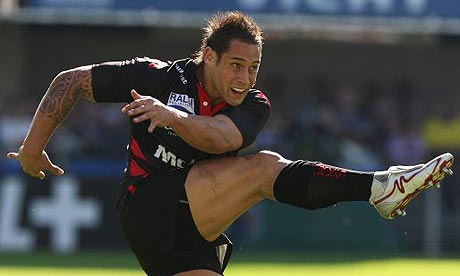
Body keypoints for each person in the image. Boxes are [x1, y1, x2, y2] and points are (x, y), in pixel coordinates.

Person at [6, 11, 454, 276]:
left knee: (258, 165)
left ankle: (379, 188)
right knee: (262, 168)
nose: (245, 78)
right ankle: (378, 188)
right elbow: (72, 81)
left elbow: (222, 138)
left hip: (191, 235)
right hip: (149, 209)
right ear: (209, 57)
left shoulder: (254, 104)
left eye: (253, 67)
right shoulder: (156, 76)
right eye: (236, 65)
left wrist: (173, 118)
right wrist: (32, 147)